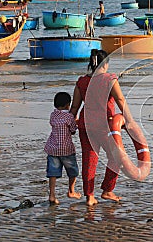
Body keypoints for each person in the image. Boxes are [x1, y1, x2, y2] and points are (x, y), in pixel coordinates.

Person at [70, 49, 129, 205]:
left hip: (85, 125)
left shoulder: (82, 81)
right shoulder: (110, 79)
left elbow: (74, 107)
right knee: (117, 158)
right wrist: (129, 121)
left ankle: (89, 197)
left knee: (89, 161)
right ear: (106, 64)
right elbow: (120, 100)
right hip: (105, 125)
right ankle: (108, 190)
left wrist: (69, 125)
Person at [44, 92, 82, 205]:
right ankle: (71, 190)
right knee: (73, 171)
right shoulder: (69, 117)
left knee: (52, 173)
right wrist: (76, 122)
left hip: (53, 148)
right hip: (66, 149)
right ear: (67, 105)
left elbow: (53, 124)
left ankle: (52, 195)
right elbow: (73, 130)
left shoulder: (53, 115)